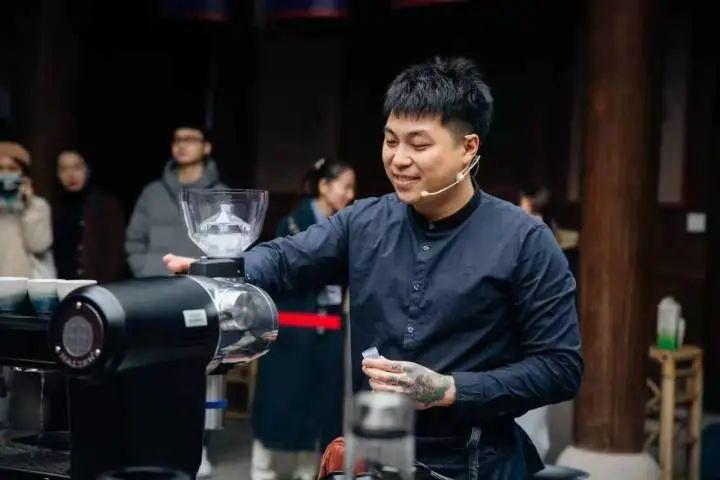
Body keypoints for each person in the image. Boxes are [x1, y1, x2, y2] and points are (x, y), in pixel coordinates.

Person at [166, 57, 582, 479]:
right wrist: (220, 273)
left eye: (419, 145)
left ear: (467, 149)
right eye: (390, 140)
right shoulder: (364, 222)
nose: (398, 159)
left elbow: (560, 368)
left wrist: (450, 389)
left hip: (478, 463)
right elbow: (285, 259)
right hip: (375, 458)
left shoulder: (524, 240)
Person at [251, 158, 356, 480]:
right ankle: (262, 469)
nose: (351, 195)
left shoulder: (346, 226)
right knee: (280, 401)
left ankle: (308, 472)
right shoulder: (292, 224)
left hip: (329, 330)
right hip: (292, 330)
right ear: (324, 186)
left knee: (322, 406)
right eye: (346, 187)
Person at [126, 124, 225, 278]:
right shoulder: (152, 192)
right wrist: (144, 269)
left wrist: (209, 275)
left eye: (190, 139)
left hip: (201, 282)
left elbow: (227, 247)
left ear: (206, 147)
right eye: (177, 140)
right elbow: (134, 240)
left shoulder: (221, 195)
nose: (182, 145)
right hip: (153, 280)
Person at [53, 150, 126, 282]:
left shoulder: (106, 205)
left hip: (101, 286)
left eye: (77, 167)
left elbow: (115, 254)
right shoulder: (56, 208)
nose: (71, 175)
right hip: (65, 286)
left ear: (87, 170)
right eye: (64, 169)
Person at [0, 141, 53, 278]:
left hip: (29, 284)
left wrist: (29, 206)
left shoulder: (38, 205)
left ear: (23, 174)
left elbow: (38, 245)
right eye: (0, 168)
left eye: (12, 168)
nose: (5, 174)